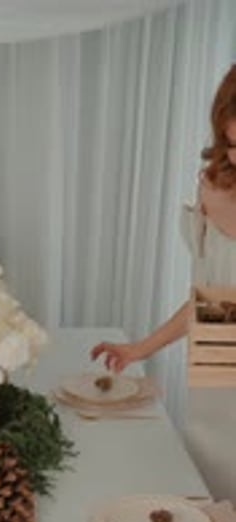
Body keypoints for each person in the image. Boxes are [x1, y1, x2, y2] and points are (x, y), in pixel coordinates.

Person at [91, 64, 236, 373]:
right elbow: (212, 301)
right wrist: (138, 349)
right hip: (217, 361)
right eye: (234, 144)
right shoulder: (213, 190)